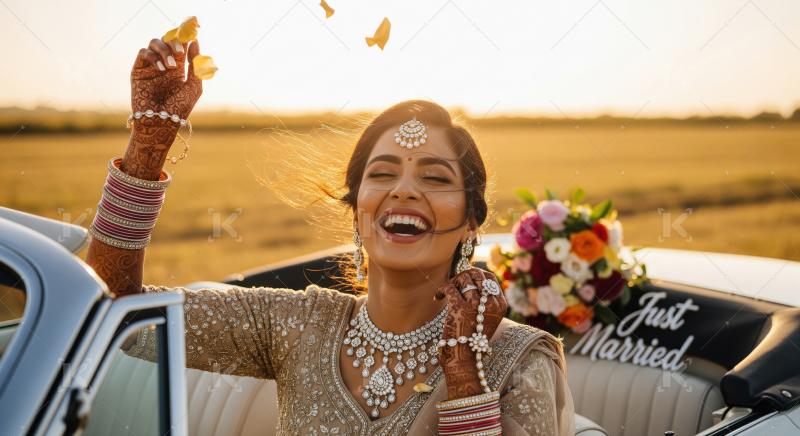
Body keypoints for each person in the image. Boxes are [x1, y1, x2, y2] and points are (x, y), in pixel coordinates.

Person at [85, 35, 575, 436]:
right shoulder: (297, 325)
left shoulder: (519, 360)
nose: (403, 190)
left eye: (435, 178)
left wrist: (466, 375)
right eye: (382, 174)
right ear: (357, 211)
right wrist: (149, 146)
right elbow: (116, 308)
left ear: (472, 221)